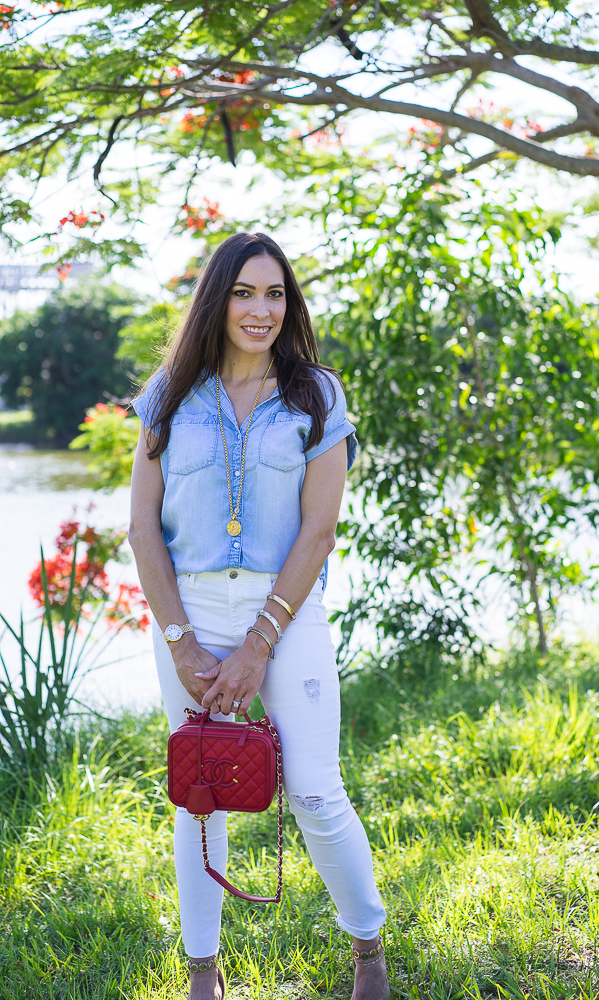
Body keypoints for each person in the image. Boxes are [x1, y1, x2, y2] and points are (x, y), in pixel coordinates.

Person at [129, 232, 389, 1000]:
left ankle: (367, 949)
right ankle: (202, 974)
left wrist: (258, 643)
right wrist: (182, 645)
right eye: (245, 292)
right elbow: (144, 528)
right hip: (189, 616)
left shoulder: (316, 396)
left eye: (275, 294)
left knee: (313, 788)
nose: (261, 309)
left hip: (289, 611)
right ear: (218, 298)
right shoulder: (168, 393)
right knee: (198, 792)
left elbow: (318, 532)